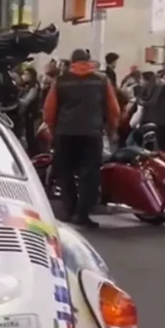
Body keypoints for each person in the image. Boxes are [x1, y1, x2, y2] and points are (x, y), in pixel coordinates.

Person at [42, 48, 120, 228]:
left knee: (65, 172)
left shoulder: (60, 81)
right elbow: (113, 108)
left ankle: (70, 211)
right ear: (89, 61)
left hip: (65, 133)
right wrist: (111, 128)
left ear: (72, 61)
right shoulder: (101, 80)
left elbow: (49, 110)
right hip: (91, 134)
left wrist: (54, 129)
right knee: (89, 174)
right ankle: (83, 214)